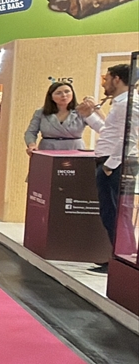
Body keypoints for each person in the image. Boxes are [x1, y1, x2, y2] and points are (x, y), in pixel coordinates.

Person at [78, 63, 132, 272]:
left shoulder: (128, 103)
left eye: (106, 79)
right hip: (108, 162)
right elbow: (108, 132)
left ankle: (123, 261)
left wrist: (109, 166)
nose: (104, 84)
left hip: (114, 165)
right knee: (110, 213)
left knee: (115, 214)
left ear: (117, 79)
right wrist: (88, 115)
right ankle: (118, 257)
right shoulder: (119, 104)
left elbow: (129, 138)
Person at [25, 81, 88, 154]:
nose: (64, 95)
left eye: (67, 91)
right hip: (48, 149)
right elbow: (31, 132)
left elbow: (98, 126)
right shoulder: (41, 112)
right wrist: (32, 144)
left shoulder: (81, 111)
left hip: (75, 150)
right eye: (58, 93)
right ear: (51, 97)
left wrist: (95, 108)